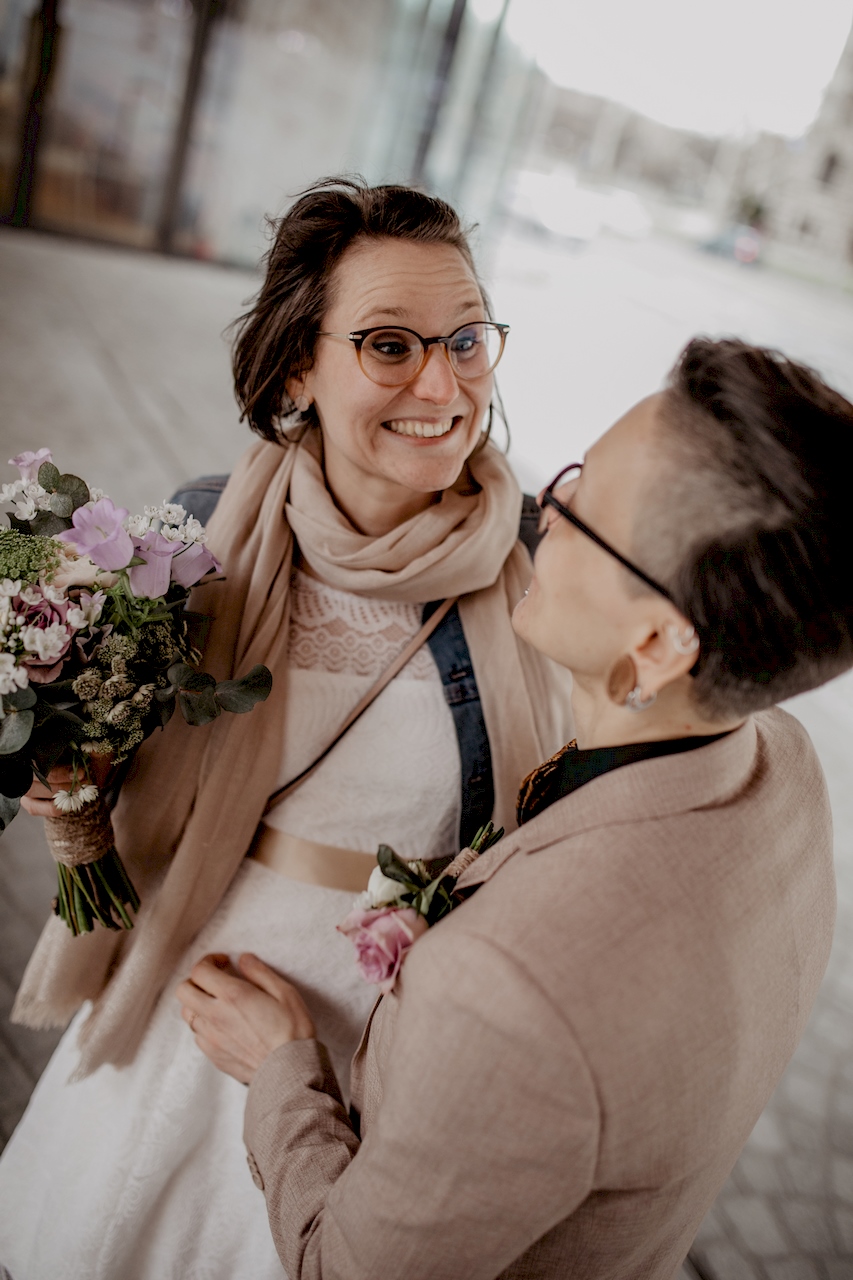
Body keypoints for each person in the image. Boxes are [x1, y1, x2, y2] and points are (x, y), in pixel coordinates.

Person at [177, 338, 846, 1280]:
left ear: (656, 643)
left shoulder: (508, 988)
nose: (542, 506)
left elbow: (346, 1268)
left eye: (581, 507)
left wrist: (283, 1068)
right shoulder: (781, 763)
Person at [0, 178, 572, 1280]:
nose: (442, 383)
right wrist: (77, 770)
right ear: (298, 364)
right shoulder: (207, 527)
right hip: (171, 987)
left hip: (364, 1056)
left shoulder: (543, 563)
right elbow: (128, 764)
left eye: (465, 339)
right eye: (390, 345)